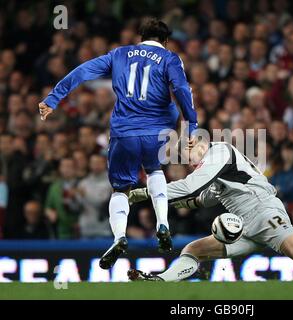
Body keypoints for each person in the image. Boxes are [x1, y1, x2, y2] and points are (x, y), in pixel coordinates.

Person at [38, 19, 198, 268]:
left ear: (140, 36)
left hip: (123, 133)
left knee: (120, 189)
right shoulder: (170, 58)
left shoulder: (120, 55)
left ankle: (119, 236)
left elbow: (82, 71)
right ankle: (163, 223)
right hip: (156, 131)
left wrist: (53, 98)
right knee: (155, 171)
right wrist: (192, 123)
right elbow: (180, 88)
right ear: (165, 41)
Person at [127, 139, 293, 282]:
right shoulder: (212, 172)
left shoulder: (220, 151)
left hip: (263, 211)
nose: (188, 158)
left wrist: (149, 191)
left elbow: (192, 186)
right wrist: (168, 202)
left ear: (202, 143)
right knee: (193, 249)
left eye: (189, 151)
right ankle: (159, 281)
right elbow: (203, 199)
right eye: (184, 156)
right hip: (242, 228)